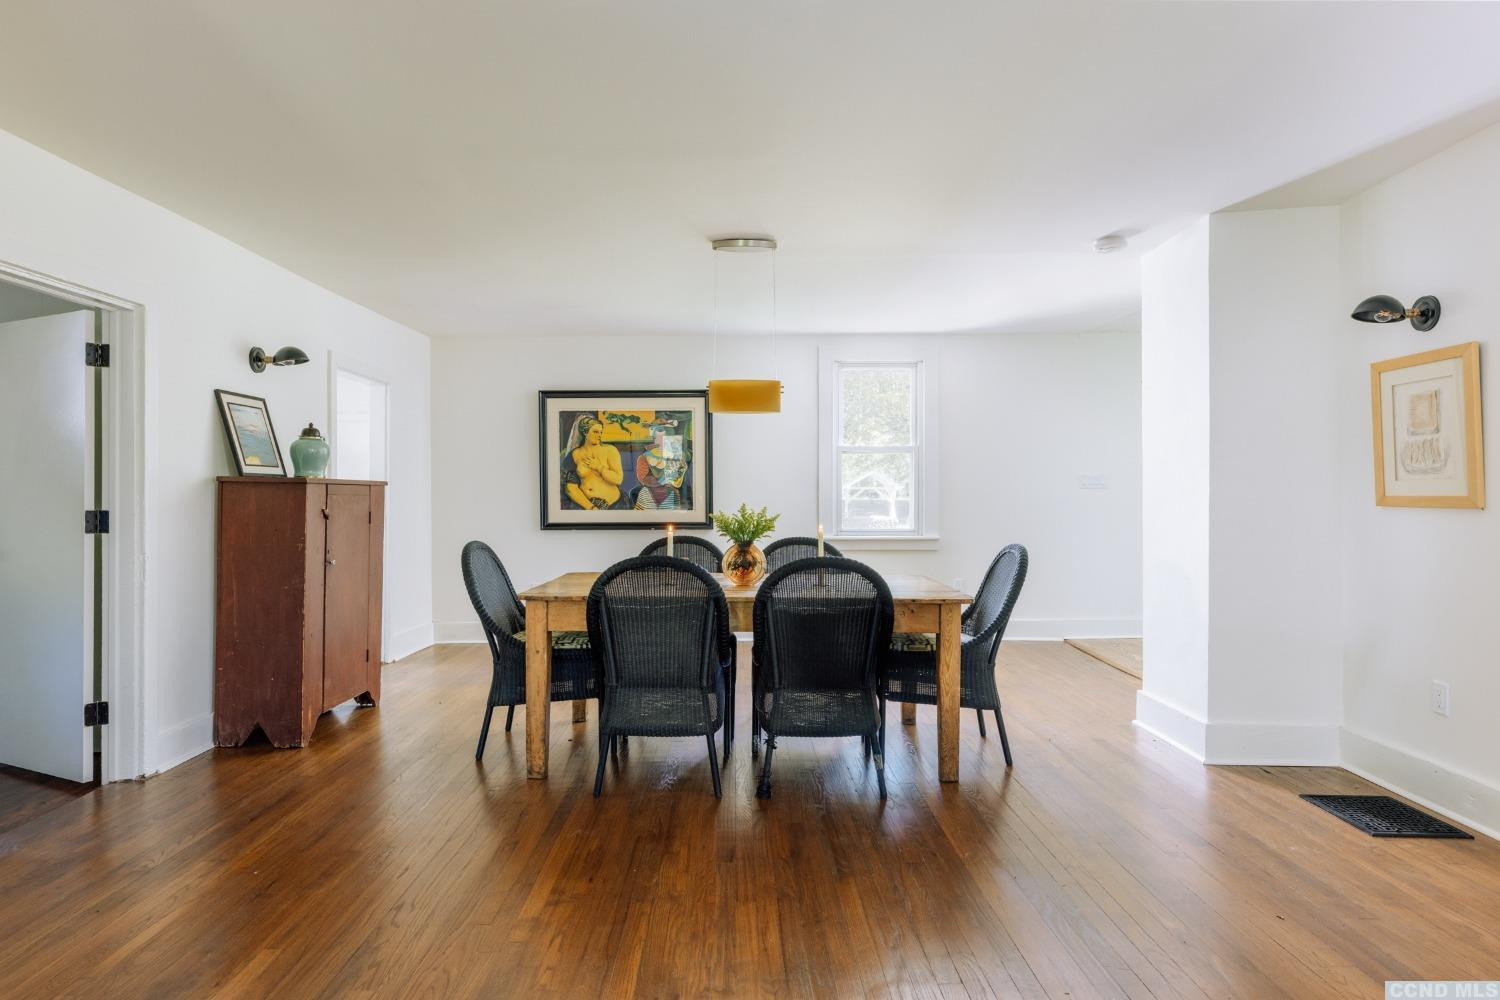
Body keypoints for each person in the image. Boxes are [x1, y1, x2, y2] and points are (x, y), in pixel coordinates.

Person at [561, 415, 624, 510]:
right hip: (586, 506)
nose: (599, 435)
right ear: (585, 432)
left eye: (601, 432)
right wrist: (591, 507)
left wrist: (599, 467)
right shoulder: (575, 454)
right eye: (595, 432)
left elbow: (618, 479)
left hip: (614, 505)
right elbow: (570, 488)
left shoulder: (610, 450)